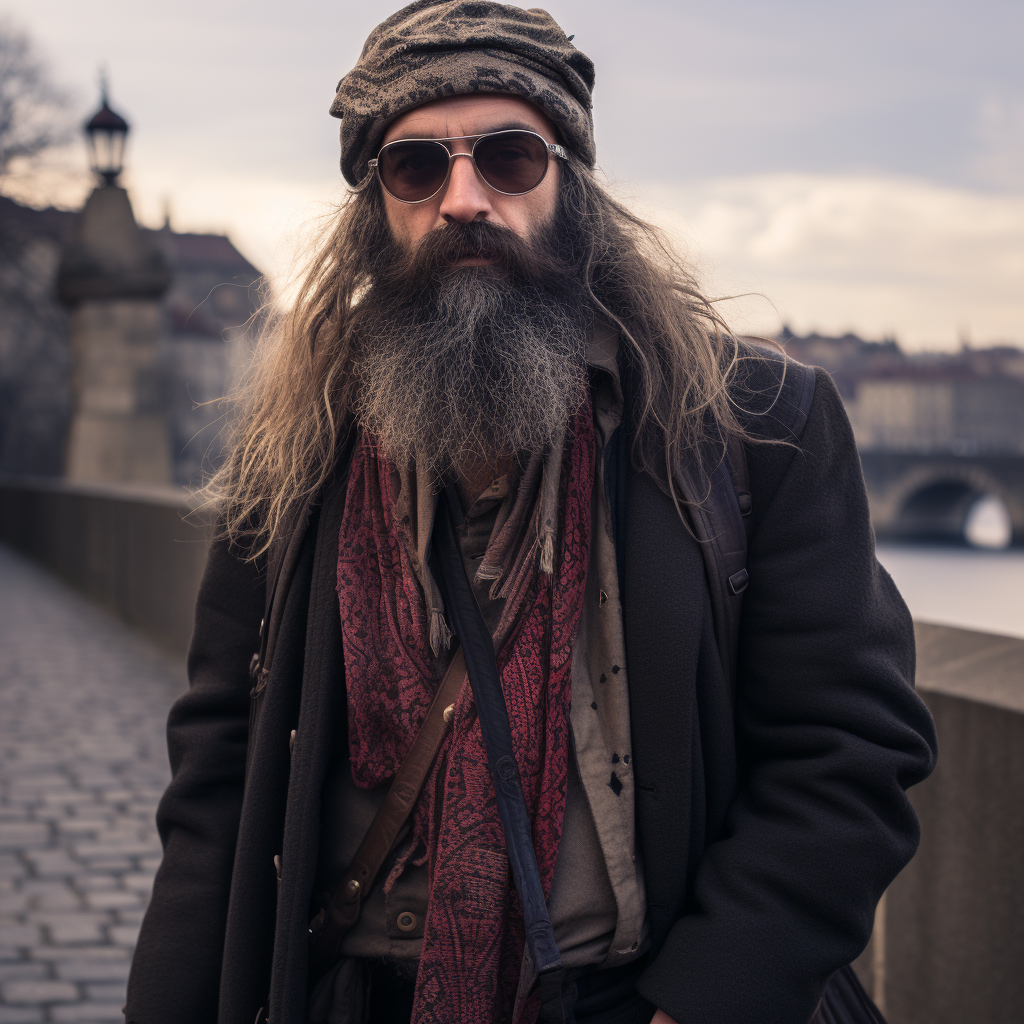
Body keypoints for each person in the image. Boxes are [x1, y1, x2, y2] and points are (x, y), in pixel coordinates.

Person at [124, 3, 937, 1023]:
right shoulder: (295, 447)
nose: (464, 199)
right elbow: (218, 775)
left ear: (570, 184)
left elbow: (846, 753)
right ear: (376, 205)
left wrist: (703, 1001)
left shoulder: (756, 427)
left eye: (508, 157)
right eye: (416, 168)